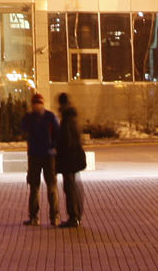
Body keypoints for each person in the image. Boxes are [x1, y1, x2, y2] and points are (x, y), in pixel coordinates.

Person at [20, 93, 59, 225]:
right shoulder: (42, 117)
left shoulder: (48, 117)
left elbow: (57, 134)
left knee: (47, 187)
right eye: (35, 103)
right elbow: (23, 128)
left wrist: (54, 147)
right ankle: (42, 217)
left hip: (44, 155)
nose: (37, 106)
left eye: (39, 103)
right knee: (38, 187)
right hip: (38, 155)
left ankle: (48, 217)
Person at [55, 92, 87, 227]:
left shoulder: (66, 120)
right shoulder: (73, 118)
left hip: (68, 159)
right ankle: (76, 215)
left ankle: (73, 216)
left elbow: (65, 142)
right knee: (74, 186)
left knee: (70, 188)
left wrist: (58, 150)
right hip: (74, 158)